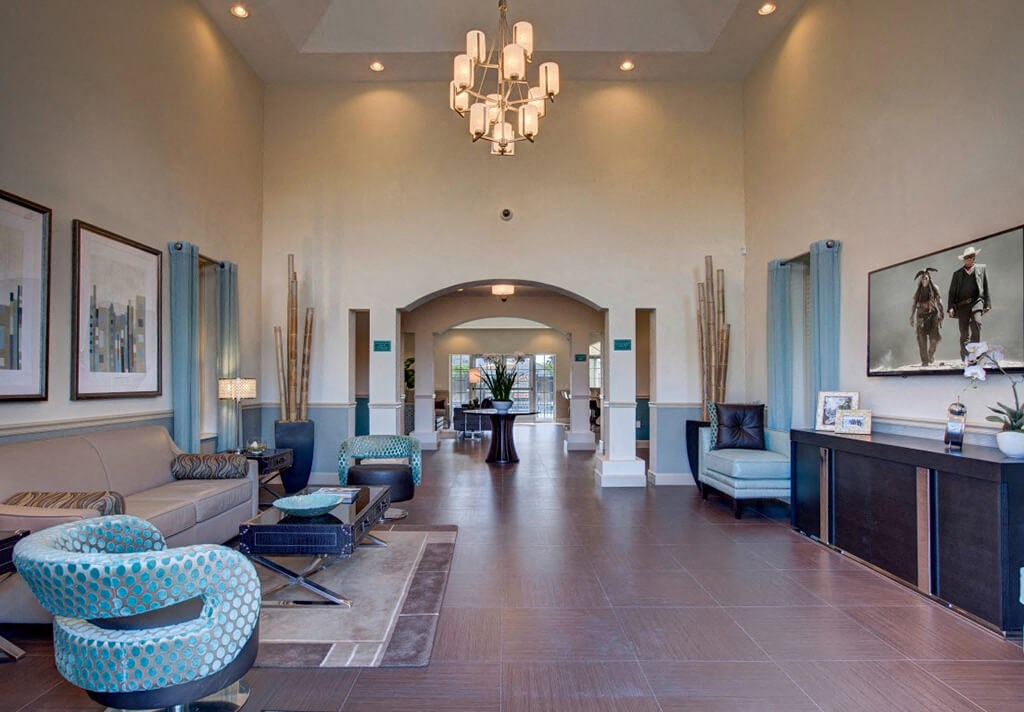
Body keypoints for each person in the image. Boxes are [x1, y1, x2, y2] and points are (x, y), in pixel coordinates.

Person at [947, 246, 990, 361]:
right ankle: (965, 356)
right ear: (963, 259)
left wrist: (987, 304)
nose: (969, 259)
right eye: (967, 258)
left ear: (974, 258)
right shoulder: (957, 274)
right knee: (964, 333)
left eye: (971, 257)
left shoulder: (981, 269)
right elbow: (951, 292)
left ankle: (975, 354)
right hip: (962, 305)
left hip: (977, 302)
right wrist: (951, 307)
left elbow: (985, 286)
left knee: (977, 324)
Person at [909, 268, 943, 366]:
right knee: (922, 341)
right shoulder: (918, 291)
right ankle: (924, 361)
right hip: (921, 318)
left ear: (929, 278)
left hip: (933, 316)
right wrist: (911, 316)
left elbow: (939, 301)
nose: (924, 280)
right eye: (922, 278)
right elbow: (914, 304)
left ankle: (931, 354)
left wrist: (941, 313)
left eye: (926, 278)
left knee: (934, 340)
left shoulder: (934, 288)